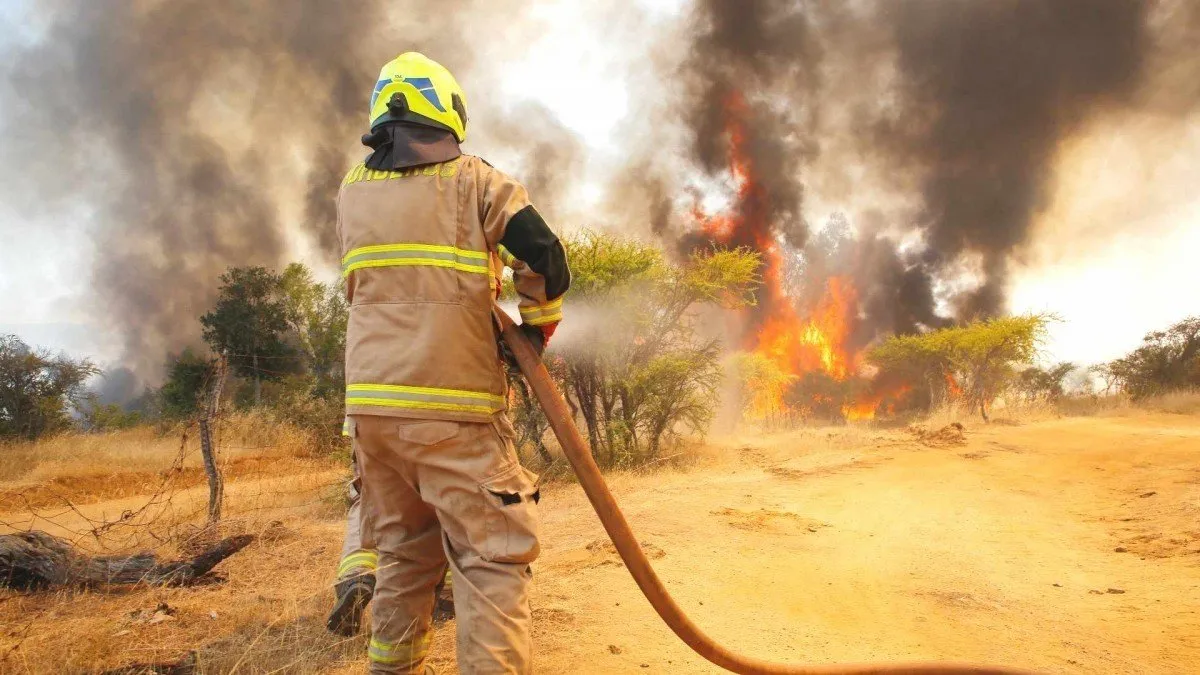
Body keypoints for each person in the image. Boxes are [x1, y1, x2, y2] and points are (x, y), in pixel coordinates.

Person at [336, 52, 570, 674]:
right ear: (448, 114)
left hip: (374, 420)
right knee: (492, 562)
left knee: (404, 559)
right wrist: (534, 334)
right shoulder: (477, 182)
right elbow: (546, 254)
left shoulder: (352, 193)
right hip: (457, 415)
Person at [326, 451, 454, 637]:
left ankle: (356, 577)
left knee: (367, 504)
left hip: (373, 435)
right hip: (436, 438)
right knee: (441, 505)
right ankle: (445, 597)